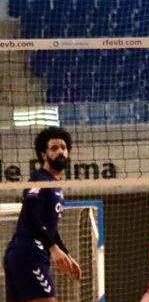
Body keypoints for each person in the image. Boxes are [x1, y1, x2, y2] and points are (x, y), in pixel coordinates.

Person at [3, 126, 81, 302]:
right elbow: (31, 215)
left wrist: (66, 254)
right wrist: (53, 249)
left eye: (63, 147)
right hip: (29, 252)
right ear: (43, 155)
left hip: (23, 254)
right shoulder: (40, 179)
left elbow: (49, 228)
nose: (60, 151)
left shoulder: (54, 185)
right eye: (54, 148)